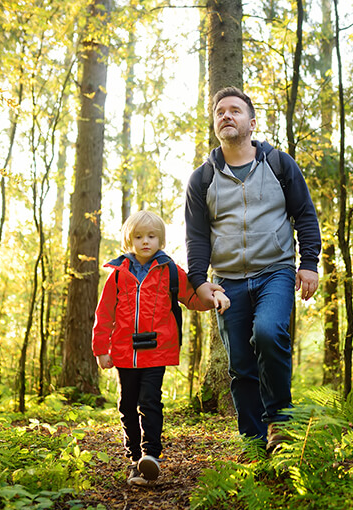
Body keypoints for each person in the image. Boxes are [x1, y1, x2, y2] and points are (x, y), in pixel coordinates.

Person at [185, 87, 321, 453]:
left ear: (252, 122)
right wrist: (199, 281)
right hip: (227, 281)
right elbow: (196, 237)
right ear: (215, 124)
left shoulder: (279, 164)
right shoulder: (202, 179)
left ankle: (279, 423)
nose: (226, 116)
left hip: (274, 271)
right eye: (220, 112)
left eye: (235, 111)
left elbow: (305, 215)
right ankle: (252, 443)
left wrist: (309, 264)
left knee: (268, 332)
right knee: (240, 365)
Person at [92, 210, 229, 486]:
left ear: (161, 240)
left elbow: (192, 296)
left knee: (150, 401)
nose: (145, 242)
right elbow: (104, 314)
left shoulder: (170, 271)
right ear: (129, 240)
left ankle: (151, 455)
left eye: (151, 236)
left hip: (157, 351)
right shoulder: (117, 275)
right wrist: (100, 349)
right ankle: (134, 461)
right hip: (124, 353)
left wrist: (212, 295)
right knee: (127, 404)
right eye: (139, 237)